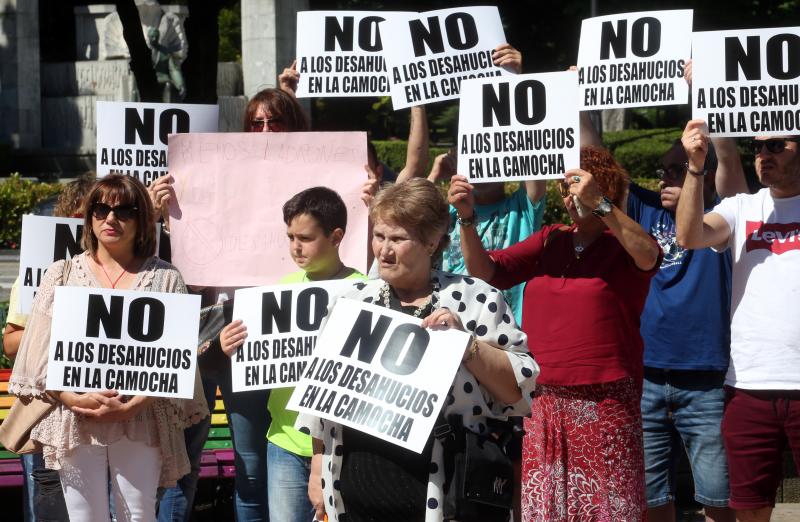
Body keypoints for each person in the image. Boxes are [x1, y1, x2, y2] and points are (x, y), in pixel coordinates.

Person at [298, 178, 539, 522]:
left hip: (446, 497)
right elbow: (322, 397)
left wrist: (466, 345)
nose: (384, 249)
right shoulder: (350, 302)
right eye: (379, 236)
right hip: (356, 497)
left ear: (431, 243)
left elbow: (517, 392)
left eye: (397, 238)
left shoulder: (476, 299)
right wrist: (317, 465)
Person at [456, 146, 661, 521]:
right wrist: (466, 218)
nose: (570, 198)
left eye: (579, 188)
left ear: (603, 190)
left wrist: (599, 205)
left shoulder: (623, 243)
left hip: (605, 400)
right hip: (544, 399)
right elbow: (485, 271)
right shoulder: (551, 238)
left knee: (608, 508)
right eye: (565, 189)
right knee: (547, 507)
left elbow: (649, 255)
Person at [8, 174, 208, 522]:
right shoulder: (61, 273)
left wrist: (134, 404)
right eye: (101, 210)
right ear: (90, 218)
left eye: (124, 211)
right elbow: (38, 356)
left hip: (142, 419)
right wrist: (73, 398)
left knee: (139, 516)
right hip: (74, 419)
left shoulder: (166, 278)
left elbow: (177, 361)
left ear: (142, 218)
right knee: (84, 518)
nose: (111, 219)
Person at [676, 122, 800, 522]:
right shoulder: (742, 206)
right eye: (758, 146)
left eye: (776, 145)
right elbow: (688, 236)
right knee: (749, 509)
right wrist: (696, 168)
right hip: (748, 386)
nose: (763, 154)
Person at [218, 186, 366, 522]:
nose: (295, 247)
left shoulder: (364, 292)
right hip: (283, 439)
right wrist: (231, 344)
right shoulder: (282, 287)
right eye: (290, 237)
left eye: (305, 237)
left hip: (343, 446)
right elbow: (257, 354)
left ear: (336, 236)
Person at [428, 44, 546, 326]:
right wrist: (434, 176)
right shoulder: (446, 211)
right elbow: (408, 219)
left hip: (506, 328)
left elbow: (533, 151)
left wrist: (516, 82)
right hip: (448, 324)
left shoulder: (521, 208)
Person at [3, 174, 94, 522]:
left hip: (100, 418)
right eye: (81, 215)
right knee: (49, 506)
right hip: (47, 414)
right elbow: (11, 343)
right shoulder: (39, 274)